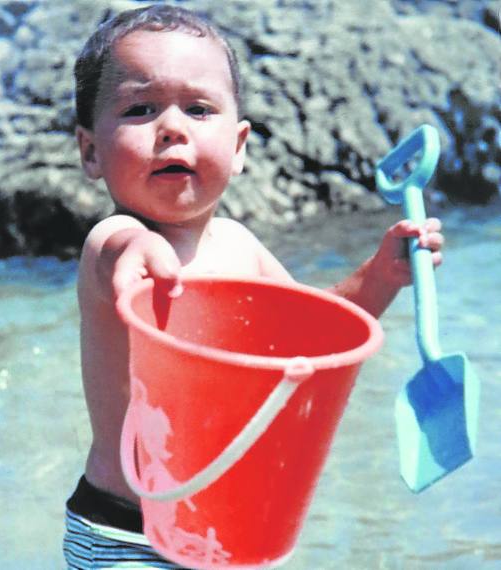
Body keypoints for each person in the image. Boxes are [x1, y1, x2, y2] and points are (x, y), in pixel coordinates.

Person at [63, 5, 444, 569]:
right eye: (141, 109)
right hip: (126, 534)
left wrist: (382, 275)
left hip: (231, 526)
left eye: (198, 109)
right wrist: (133, 252)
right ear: (92, 151)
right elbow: (114, 254)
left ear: (239, 146)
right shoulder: (115, 240)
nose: (172, 128)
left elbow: (314, 335)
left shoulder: (239, 247)